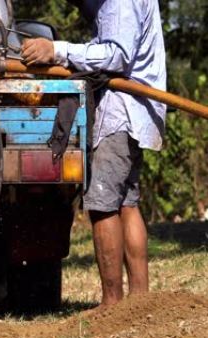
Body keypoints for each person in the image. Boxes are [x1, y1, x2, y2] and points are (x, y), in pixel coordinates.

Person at [20, 0, 167, 307]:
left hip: (121, 112)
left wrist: (56, 50)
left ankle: (112, 304)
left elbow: (116, 56)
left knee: (102, 204)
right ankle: (139, 301)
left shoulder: (118, 2)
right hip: (134, 112)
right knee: (127, 202)